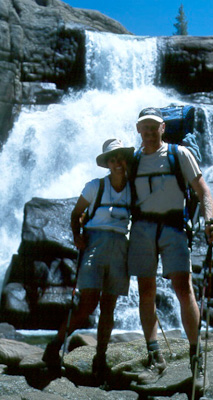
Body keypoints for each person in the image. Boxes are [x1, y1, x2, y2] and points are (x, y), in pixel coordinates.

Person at [128, 107, 213, 387]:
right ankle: (155, 357)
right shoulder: (132, 160)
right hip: (142, 229)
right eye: (143, 126)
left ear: (163, 128)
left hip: (174, 228)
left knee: (184, 290)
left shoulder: (179, 154)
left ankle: (196, 360)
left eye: (153, 125)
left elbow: (203, 190)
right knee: (146, 292)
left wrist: (211, 222)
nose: (148, 130)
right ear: (138, 130)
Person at [42, 138, 134, 384]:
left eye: (120, 158)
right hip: (95, 244)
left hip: (120, 248)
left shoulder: (133, 188)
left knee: (109, 305)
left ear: (126, 160)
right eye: (112, 159)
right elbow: (76, 214)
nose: (117, 163)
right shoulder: (95, 187)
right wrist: (76, 235)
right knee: (88, 303)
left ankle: (100, 357)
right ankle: (55, 345)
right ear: (107, 164)